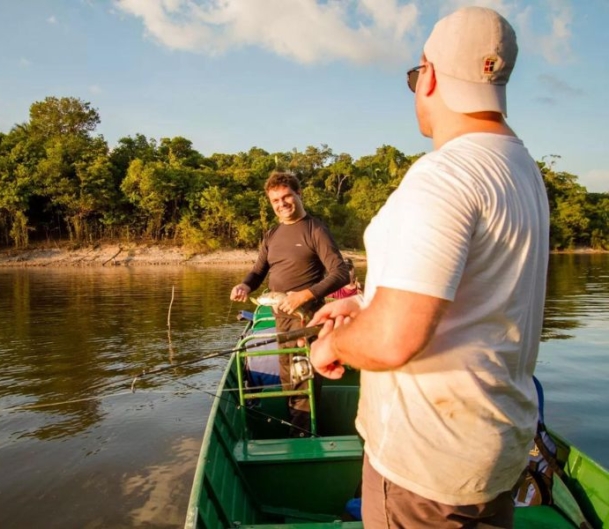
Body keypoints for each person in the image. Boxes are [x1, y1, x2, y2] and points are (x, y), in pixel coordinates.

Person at [307, 7, 549, 528]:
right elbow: (473, 298)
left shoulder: (444, 175)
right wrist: (366, 304)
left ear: (430, 75)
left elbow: (394, 339)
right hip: (496, 455)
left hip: (425, 470)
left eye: (415, 76)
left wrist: (334, 344)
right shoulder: (523, 170)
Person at [231, 171, 349, 436]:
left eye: (287, 197)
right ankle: (301, 432)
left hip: (307, 320)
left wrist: (305, 295)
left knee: (302, 378)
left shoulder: (314, 229)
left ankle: (305, 438)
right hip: (282, 320)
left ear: (299, 195)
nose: (282, 203)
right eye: (275, 200)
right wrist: (245, 286)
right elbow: (258, 271)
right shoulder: (272, 234)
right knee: (289, 379)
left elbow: (339, 273)